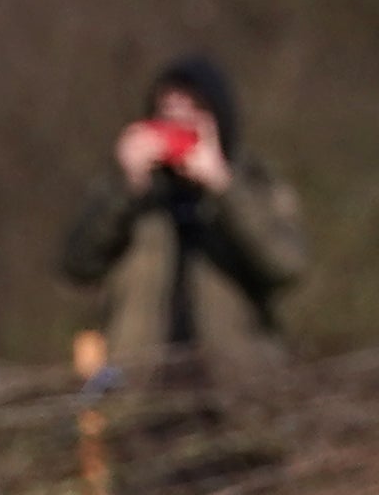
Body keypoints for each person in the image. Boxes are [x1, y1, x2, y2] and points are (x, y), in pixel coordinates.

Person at [59, 54, 308, 380]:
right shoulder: (131, 194)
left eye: (193, 115)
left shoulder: (255, 184)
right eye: (167, 116)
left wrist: (223, 187)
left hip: (237, 393)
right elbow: (78, 264)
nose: (178, 127)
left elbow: (286, 265)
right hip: (139, 394)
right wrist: (127, 189)